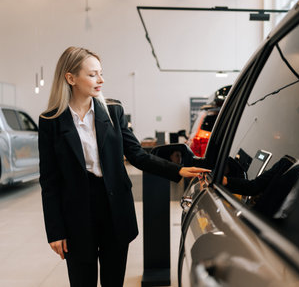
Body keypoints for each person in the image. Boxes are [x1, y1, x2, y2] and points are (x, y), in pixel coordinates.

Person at [38, 46, 209, 287]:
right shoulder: (51, 121)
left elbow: (137, 155)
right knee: (81, 281)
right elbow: (49, 181)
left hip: (114, 209)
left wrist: (177, 170)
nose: (101, 80)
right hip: (76, 213)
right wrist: (55, 231)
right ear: (70, 78)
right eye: (92, 74)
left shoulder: (113, 111)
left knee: (113, 281)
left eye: (101, 72)